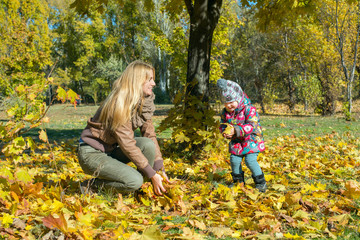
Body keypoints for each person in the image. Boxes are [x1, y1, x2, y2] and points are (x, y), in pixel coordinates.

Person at [78, 60, 168, 195]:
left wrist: (158, 166)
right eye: (149, 79)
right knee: (134, 181)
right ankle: (91, 186)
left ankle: (144, 189)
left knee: (148, 144)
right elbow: (127, 144)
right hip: (91, 154)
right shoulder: (119, 104)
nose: (153, 84)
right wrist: (151, 173)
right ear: (137, 80)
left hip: (110, 150)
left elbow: (149, 134)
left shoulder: (144, 101)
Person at [217, 78, 267, 192]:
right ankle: (238, 182)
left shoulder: (249, 109)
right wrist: (225, 132)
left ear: (238, 99)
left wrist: (236, 130)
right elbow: (223, 124)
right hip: (237, 141)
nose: (229, 105)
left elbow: (252, 125)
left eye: (231, 102)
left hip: (252, 139)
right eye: (226, 103)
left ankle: (260, 182)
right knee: (234, 160)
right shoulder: (226, 113)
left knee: (250, 160)